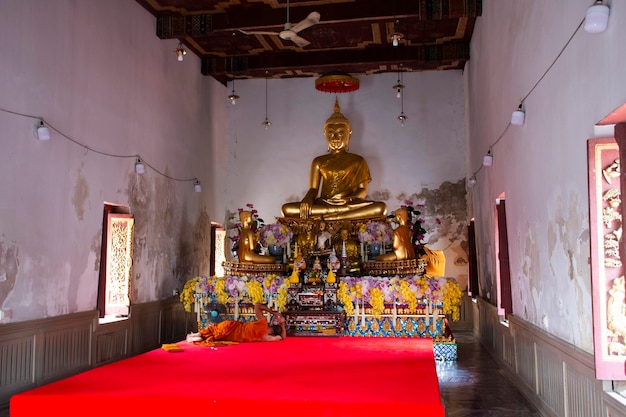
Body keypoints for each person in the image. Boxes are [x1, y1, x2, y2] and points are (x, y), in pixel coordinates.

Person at [281, 98, 387, 221]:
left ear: (349, 134)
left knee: (380, 208)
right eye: (331, 133)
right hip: (324, 204)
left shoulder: (358, 160)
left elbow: (362, 190)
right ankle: (337, 216)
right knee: (287, 209)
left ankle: (330, 217)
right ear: (325, 134)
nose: (335, 137)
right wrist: (307, 200)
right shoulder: (319, 161)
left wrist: (348, 200)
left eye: (341, 133)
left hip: (349, 205)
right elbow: (313, 189)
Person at [188, 303, 286, 346]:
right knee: (215, 335)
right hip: (234, 337)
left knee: (214, 329)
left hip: (231, 326)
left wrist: (273, 312)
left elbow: (257, 305)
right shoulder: (267, 338)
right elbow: (283, 337)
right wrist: (282, 325)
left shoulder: (263, 323)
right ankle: (198, 337)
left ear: (271, 325)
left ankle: (197, 334)